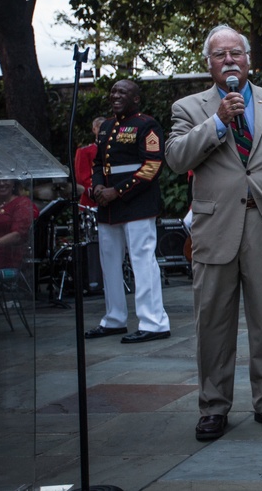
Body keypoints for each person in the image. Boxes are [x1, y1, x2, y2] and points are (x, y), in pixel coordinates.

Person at [165, 25, 262, 441]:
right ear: (208, 64)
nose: (229, 61)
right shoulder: (188, 108)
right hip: (215, 229)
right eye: (219, 55)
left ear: (249, 60)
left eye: (236, 53)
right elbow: (176, 159)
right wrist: (217, 123)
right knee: (212, 322)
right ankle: (213, 407)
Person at [86, 80, 171, 345]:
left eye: (122, 92)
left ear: (136, 99)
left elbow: (153, 166)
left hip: (136, 203)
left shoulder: (147, 125)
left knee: (142, 262)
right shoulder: (107, 127)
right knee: (108, 263)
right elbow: (99, 162)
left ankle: (154, 322)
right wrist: (98, 185)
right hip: (108, 206)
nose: (115, 96)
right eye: (113, 92)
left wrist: (118, 191)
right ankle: (114, 318)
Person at [0, 179, 38, 270]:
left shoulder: (21, 203)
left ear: (13, 183)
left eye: (6, 180)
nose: (1, 183)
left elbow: (17, 235)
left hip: (5, 261)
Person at [74, 116, 106, 207]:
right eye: (100, 127)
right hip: (92, 201)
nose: (103, 130)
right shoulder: (84, 151)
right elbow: (82, 179)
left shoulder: (115, 150)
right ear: (94, 129)